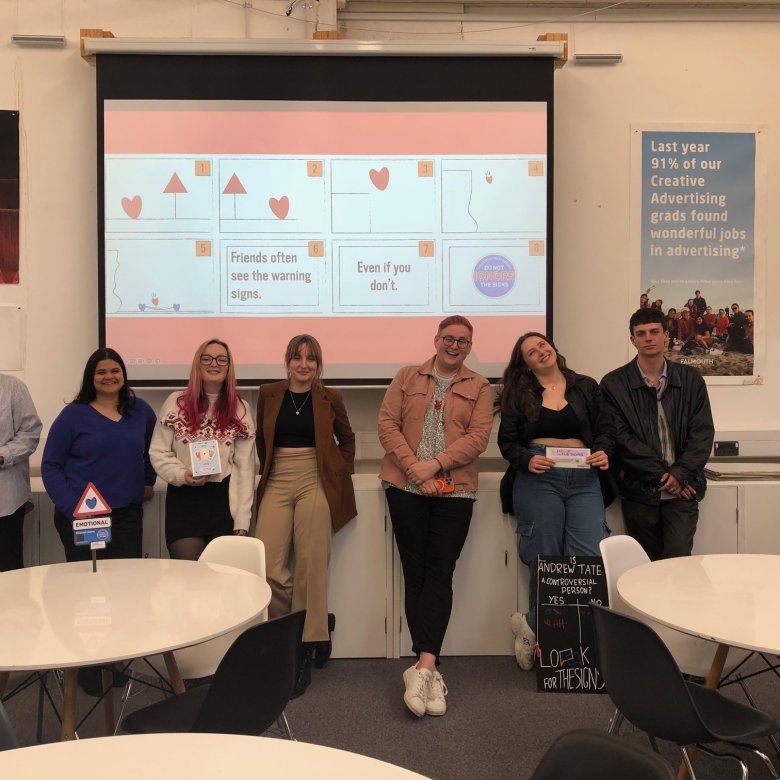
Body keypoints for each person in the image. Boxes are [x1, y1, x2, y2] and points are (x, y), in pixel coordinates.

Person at [378, 315, 492, 718]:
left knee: (441, 571)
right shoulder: (407, 376)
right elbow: (387, 425)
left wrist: (436, 466)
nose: (455, 345)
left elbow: (478, 438)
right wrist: (415, 469)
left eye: (463, 340)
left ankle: (424, 665)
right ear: (437, 340)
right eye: (449, 338)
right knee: (417, 572)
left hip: (455, 490)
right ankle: (426, 667)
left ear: (469, 345)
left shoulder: (480, 386)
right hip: (405, 487)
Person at [497, 333, 613, 672]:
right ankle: (537, 633)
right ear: (526, 363)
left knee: (589, 557)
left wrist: (606, 451)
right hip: (539, 474)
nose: (540, 352)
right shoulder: (519, 393)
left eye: (543, 346)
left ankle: (583, 641)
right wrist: (525, 460)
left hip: (584, 477)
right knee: (545, 558)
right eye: (532, 352)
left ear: (554, 348)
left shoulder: (586, 386)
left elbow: (606, 429)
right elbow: (508, 442)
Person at [254, 334, 356, 697]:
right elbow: (263, 442)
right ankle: (306, 622)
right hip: (278, 478)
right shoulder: (268, 393)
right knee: (268, 564)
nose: (304, 364)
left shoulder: (332, 397)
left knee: (312, 562)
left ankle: (304, 644)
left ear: (318, 364)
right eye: (297, 358)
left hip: (315, 479)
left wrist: (338, 472)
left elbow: (347, 439)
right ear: (286, 361)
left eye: (311, 358)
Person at [600, 308, 714, 561]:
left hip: (683, 490)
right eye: (641, 334)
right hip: (639, 490)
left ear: (666, 335)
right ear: (632, 340)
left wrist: (679, 475)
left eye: (654, 331)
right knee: (646, 566)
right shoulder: (613, 384)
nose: (648, 338)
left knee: (678, 558)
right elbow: (621, 438)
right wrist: (664, 476)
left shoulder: (691, 379)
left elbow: (702, 433)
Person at [42, 348, 156, 562]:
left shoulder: (140, 410)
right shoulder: (72, 415)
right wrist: (74, 508)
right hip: (85, 516)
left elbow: (155, 449)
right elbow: (51, 466)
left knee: (126, 583)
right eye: (101, 372)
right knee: (87, 584)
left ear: (123, 374)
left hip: (127, 516)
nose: (109, 376)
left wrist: (148, 482)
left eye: (115, 370)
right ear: (90, 377)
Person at [150, 339, 256, 560]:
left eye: (221, 359)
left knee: (220, 585)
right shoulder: (175, 402)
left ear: (229, 366)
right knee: (188, 581)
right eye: (206, 358)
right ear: (197, 364)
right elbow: (158, 452)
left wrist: (242, 520)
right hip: (184, 499)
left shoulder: (241, 408)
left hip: (223, 503)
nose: (213, 364)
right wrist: (183, 474)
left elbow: (244, 469)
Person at [0, 374, 42, 571]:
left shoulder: (12, 387)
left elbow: (30, 433)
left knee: (8, 573)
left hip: (6, 502)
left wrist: (2, 456)